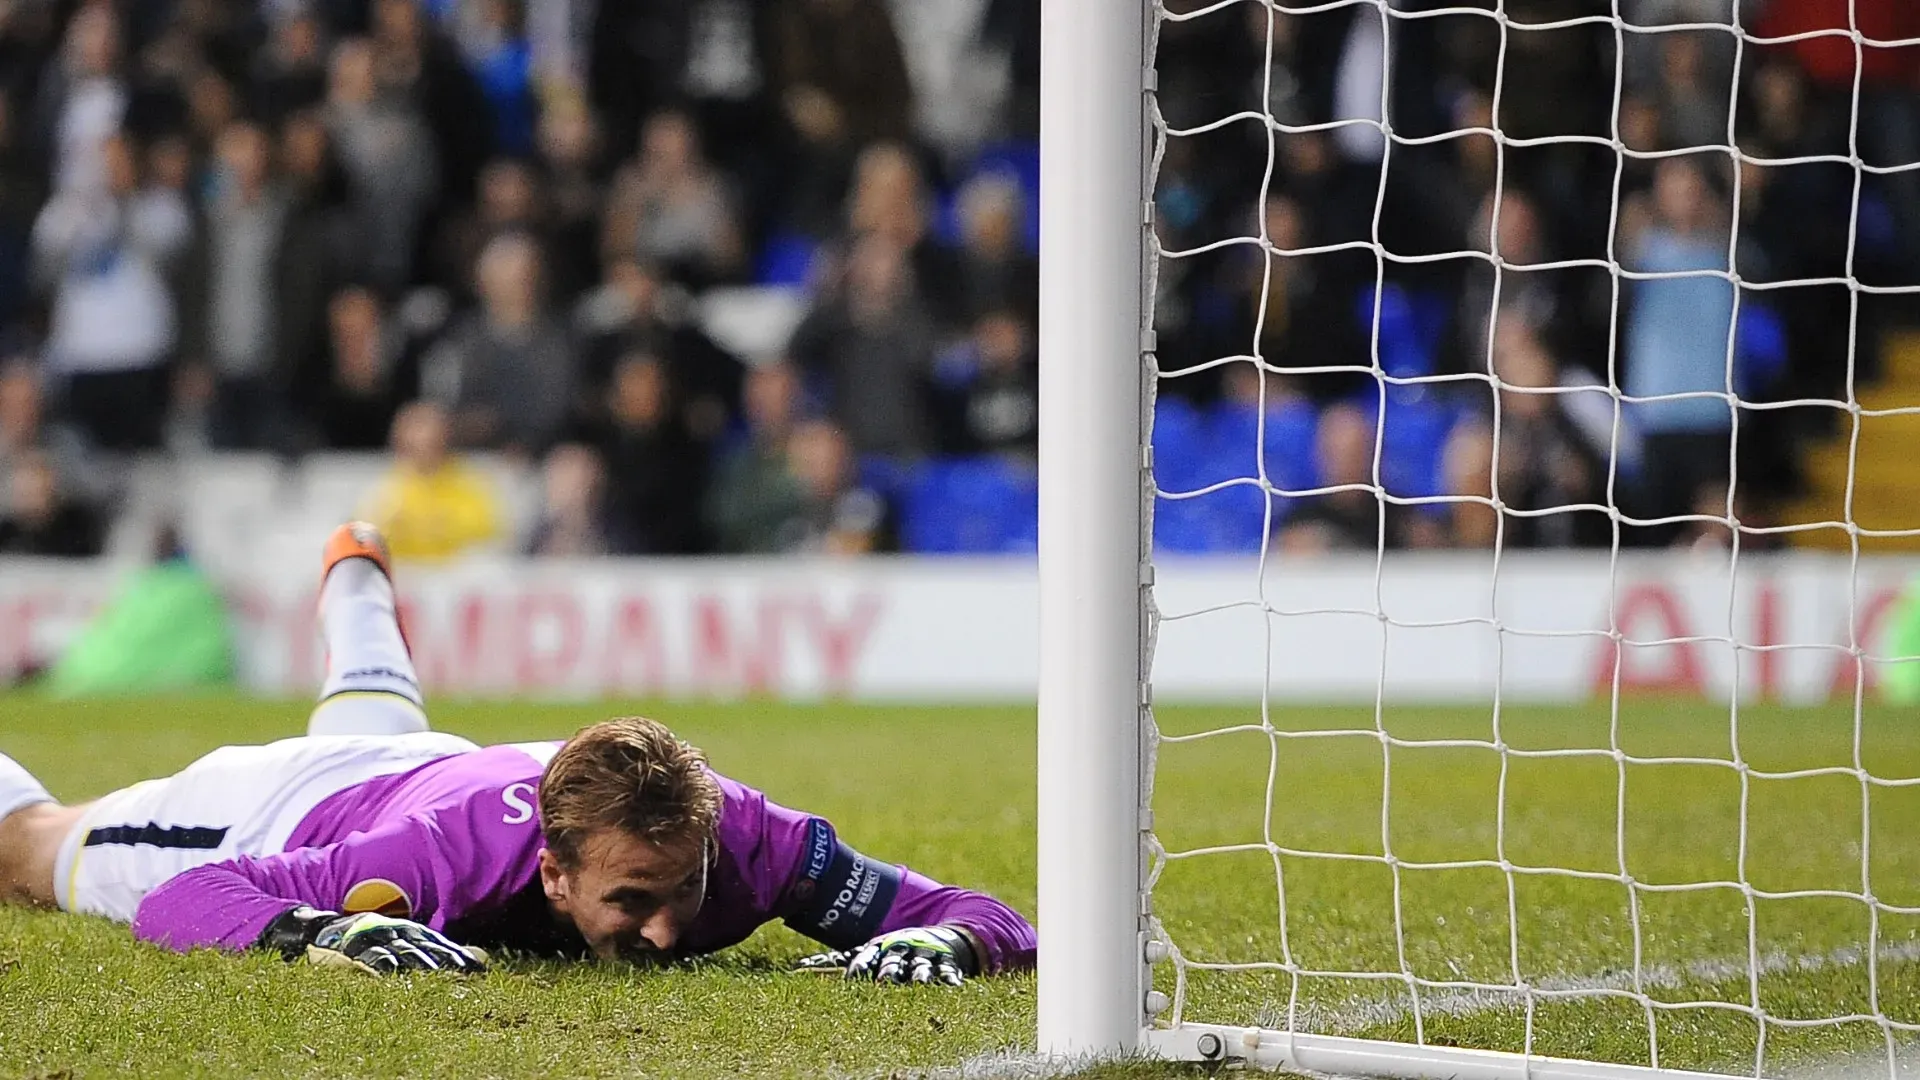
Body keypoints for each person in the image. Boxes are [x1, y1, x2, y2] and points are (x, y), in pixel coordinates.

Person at [0, 523, 1033, 985]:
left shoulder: (758, 843)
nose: (670, 934)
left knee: (376, 719)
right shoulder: (435, 866)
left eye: (681, 889)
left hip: (428, 762)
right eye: (632, 902)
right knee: (23, 851)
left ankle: (359, 577)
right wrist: (315, 933)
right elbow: (189, 900)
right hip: (289, 804)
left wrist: (949, 945)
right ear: (551, 870)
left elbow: (991, 919)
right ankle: (356, 583)